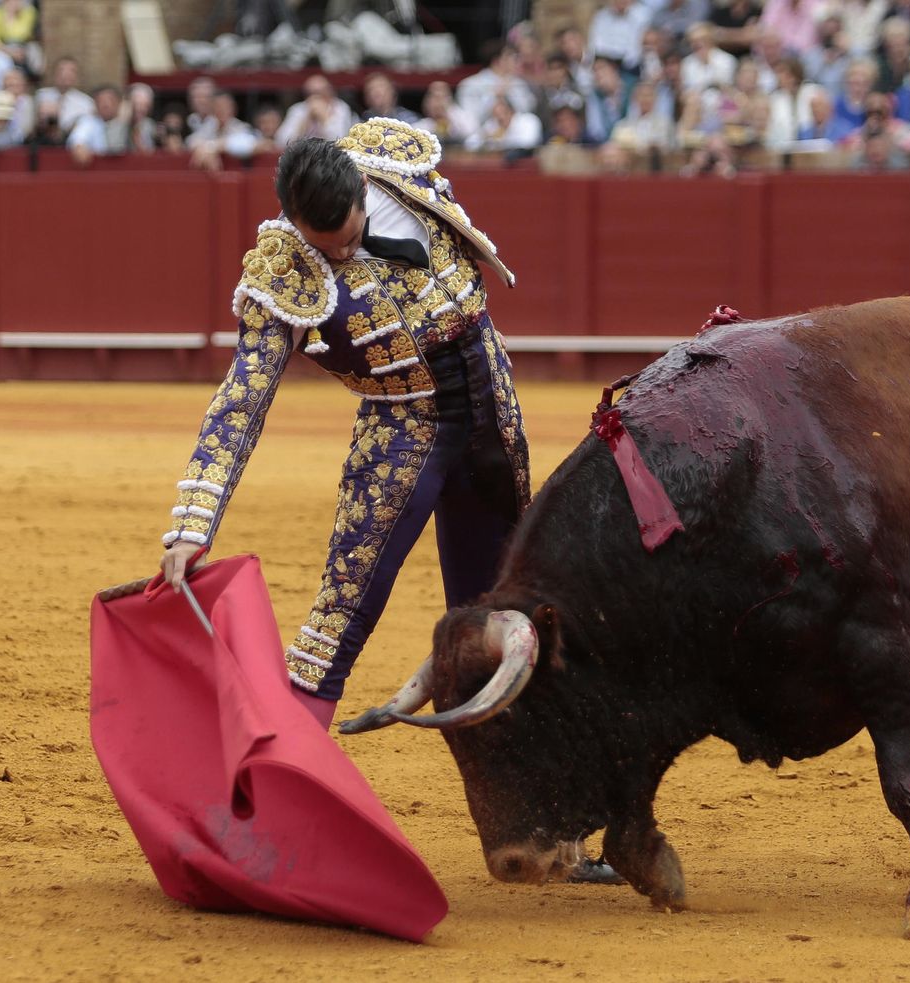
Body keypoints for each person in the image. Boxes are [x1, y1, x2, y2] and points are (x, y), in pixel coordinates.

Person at [157, 128, 620, 883]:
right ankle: (267, 825)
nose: (343, 254)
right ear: (294, 222)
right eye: (328, 246)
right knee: (338, 618)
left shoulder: (396, 166)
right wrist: (192, 521)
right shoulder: (284, 271)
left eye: (351, 238)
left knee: (509, 622)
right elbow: (240, 402)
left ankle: (553, 835)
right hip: (402, 439)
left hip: (493, 430)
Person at [275, 73, 355, 144]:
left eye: (320, 92)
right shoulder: (298, 109)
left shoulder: (341, 108)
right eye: (310, 93)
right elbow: (281, 141)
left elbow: (341, 140)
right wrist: (306, 120)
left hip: (332, 157)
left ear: (330, 91)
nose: (315, 97)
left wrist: (324, 119)